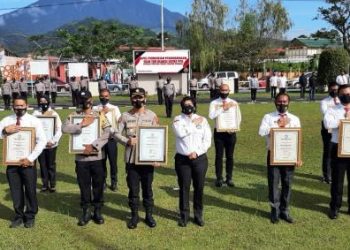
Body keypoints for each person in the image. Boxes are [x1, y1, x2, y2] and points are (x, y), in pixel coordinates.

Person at [62, 90, 111, 226]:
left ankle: (97, 211)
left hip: (97, 157)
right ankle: (86, 211)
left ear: (91, 99)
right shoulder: (74, 115)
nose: (85, 102)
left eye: (87, 99)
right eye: (82, 100)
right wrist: (81, 124)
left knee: (98, 185)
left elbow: (108, 132)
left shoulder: (99, 115)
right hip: (81, 159)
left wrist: (94, 145)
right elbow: (64, 129)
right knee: (84, 186)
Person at [114, 87, 159, 229]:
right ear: (131, 99)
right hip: (131, 160)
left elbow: (158, 138)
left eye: (140, 97)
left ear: (145, 98)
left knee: (148, 189)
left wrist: (157, 157)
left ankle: (149, 215)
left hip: (147, 160)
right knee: (133, 190)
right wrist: (126, 141)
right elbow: (115, 133)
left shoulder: (152, 116)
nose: (137, 100)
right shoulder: (125, 116)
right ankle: (134, 216)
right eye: (135, 97)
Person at [0, 96, 46, 228]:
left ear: (27, 106)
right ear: (13, 106)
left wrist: (30, 158)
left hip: (28, 163)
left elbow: (42, 141)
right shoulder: (7, 120)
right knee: (15, 190)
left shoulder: (34, 121)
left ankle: (30, 215)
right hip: (12, 163)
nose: (19, 108)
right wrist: (4, 131)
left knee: (30, 189)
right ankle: (19, 215)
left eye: (21, 106)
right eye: (16, 106)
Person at [258, 92, 302, 224]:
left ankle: (285, 210)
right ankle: (274, 210)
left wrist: (298, 157)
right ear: (275, 102)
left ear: (289, 103)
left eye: (284, 101)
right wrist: (277, 125)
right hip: (274, 155)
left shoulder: (294, 119)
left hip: (290, 155)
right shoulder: (268, 117)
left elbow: (298, 138)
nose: (282, 104)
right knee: (273, 183)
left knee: (287, 183)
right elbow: (261, 132)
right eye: (279, 101)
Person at [172, 96, 211, 227]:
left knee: (199, 188)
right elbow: (180, 133)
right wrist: (193, 124)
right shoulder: (177, 119)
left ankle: (198, 215)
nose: (188, 107)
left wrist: (197, 152)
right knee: (184, 187)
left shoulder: (203, 120)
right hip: (183, 160)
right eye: (185, 105)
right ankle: (184, 216)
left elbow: (207, 140)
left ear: (194, 105)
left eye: (191, 104)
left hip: (199, 159)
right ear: (182, 106)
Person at [324, 84, 350, 219]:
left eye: (348, 93)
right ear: (339, 95)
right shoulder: (332, 109)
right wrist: (343, 121)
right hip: (338, 147)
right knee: (337, 180)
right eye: (343, 93)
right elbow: (328, 124)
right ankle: (335, 207)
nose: (346, 95)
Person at [209, 83, 242, 187]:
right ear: (219, 90)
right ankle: (219, 178)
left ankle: (229, 178)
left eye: (226, 90)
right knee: (219, 156)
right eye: (222, 90)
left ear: (229, 91)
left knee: (230, 156)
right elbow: (211, 116)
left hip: (231, 133)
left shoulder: (234, 102)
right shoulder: (214, 103)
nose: (224, 92)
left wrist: (234, 127)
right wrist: (223, 108)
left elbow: (238, 117)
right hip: (219, 133)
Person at [33, 96, 62, 193]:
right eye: (41, 101)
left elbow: (59, 129)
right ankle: (45, 184)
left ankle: (52, 184)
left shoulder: (53, 114)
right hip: (40, 145)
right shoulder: (35, 113)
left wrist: (53, 141)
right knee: (42, 165)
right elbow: (32, 128)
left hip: (51, 145)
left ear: (48, 101)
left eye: (44, 101)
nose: (43, 103)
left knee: (51, 165)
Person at [94, 89, 121, 191]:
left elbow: (120, 120)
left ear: (109, 97)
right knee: (101, 162)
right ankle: (103, 182)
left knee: (113, 162)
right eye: (102, 96)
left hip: (111, 139)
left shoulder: (114, 108)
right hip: (100, 139)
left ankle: (114, 182)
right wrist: (101, 112)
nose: (104, 98)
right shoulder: (95, 108)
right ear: (99, 96)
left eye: (106, 96)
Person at [320, 82, 339, 184]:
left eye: (336, 89)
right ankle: (327, 176)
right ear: (329, 90)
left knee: (339, 152)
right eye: (332, 89)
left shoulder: (342, 100)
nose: (334, 91)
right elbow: (326, 114)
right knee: (328, 152)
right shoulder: (324, 102)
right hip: (328, 130)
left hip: (341, 129)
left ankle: (336, 174)